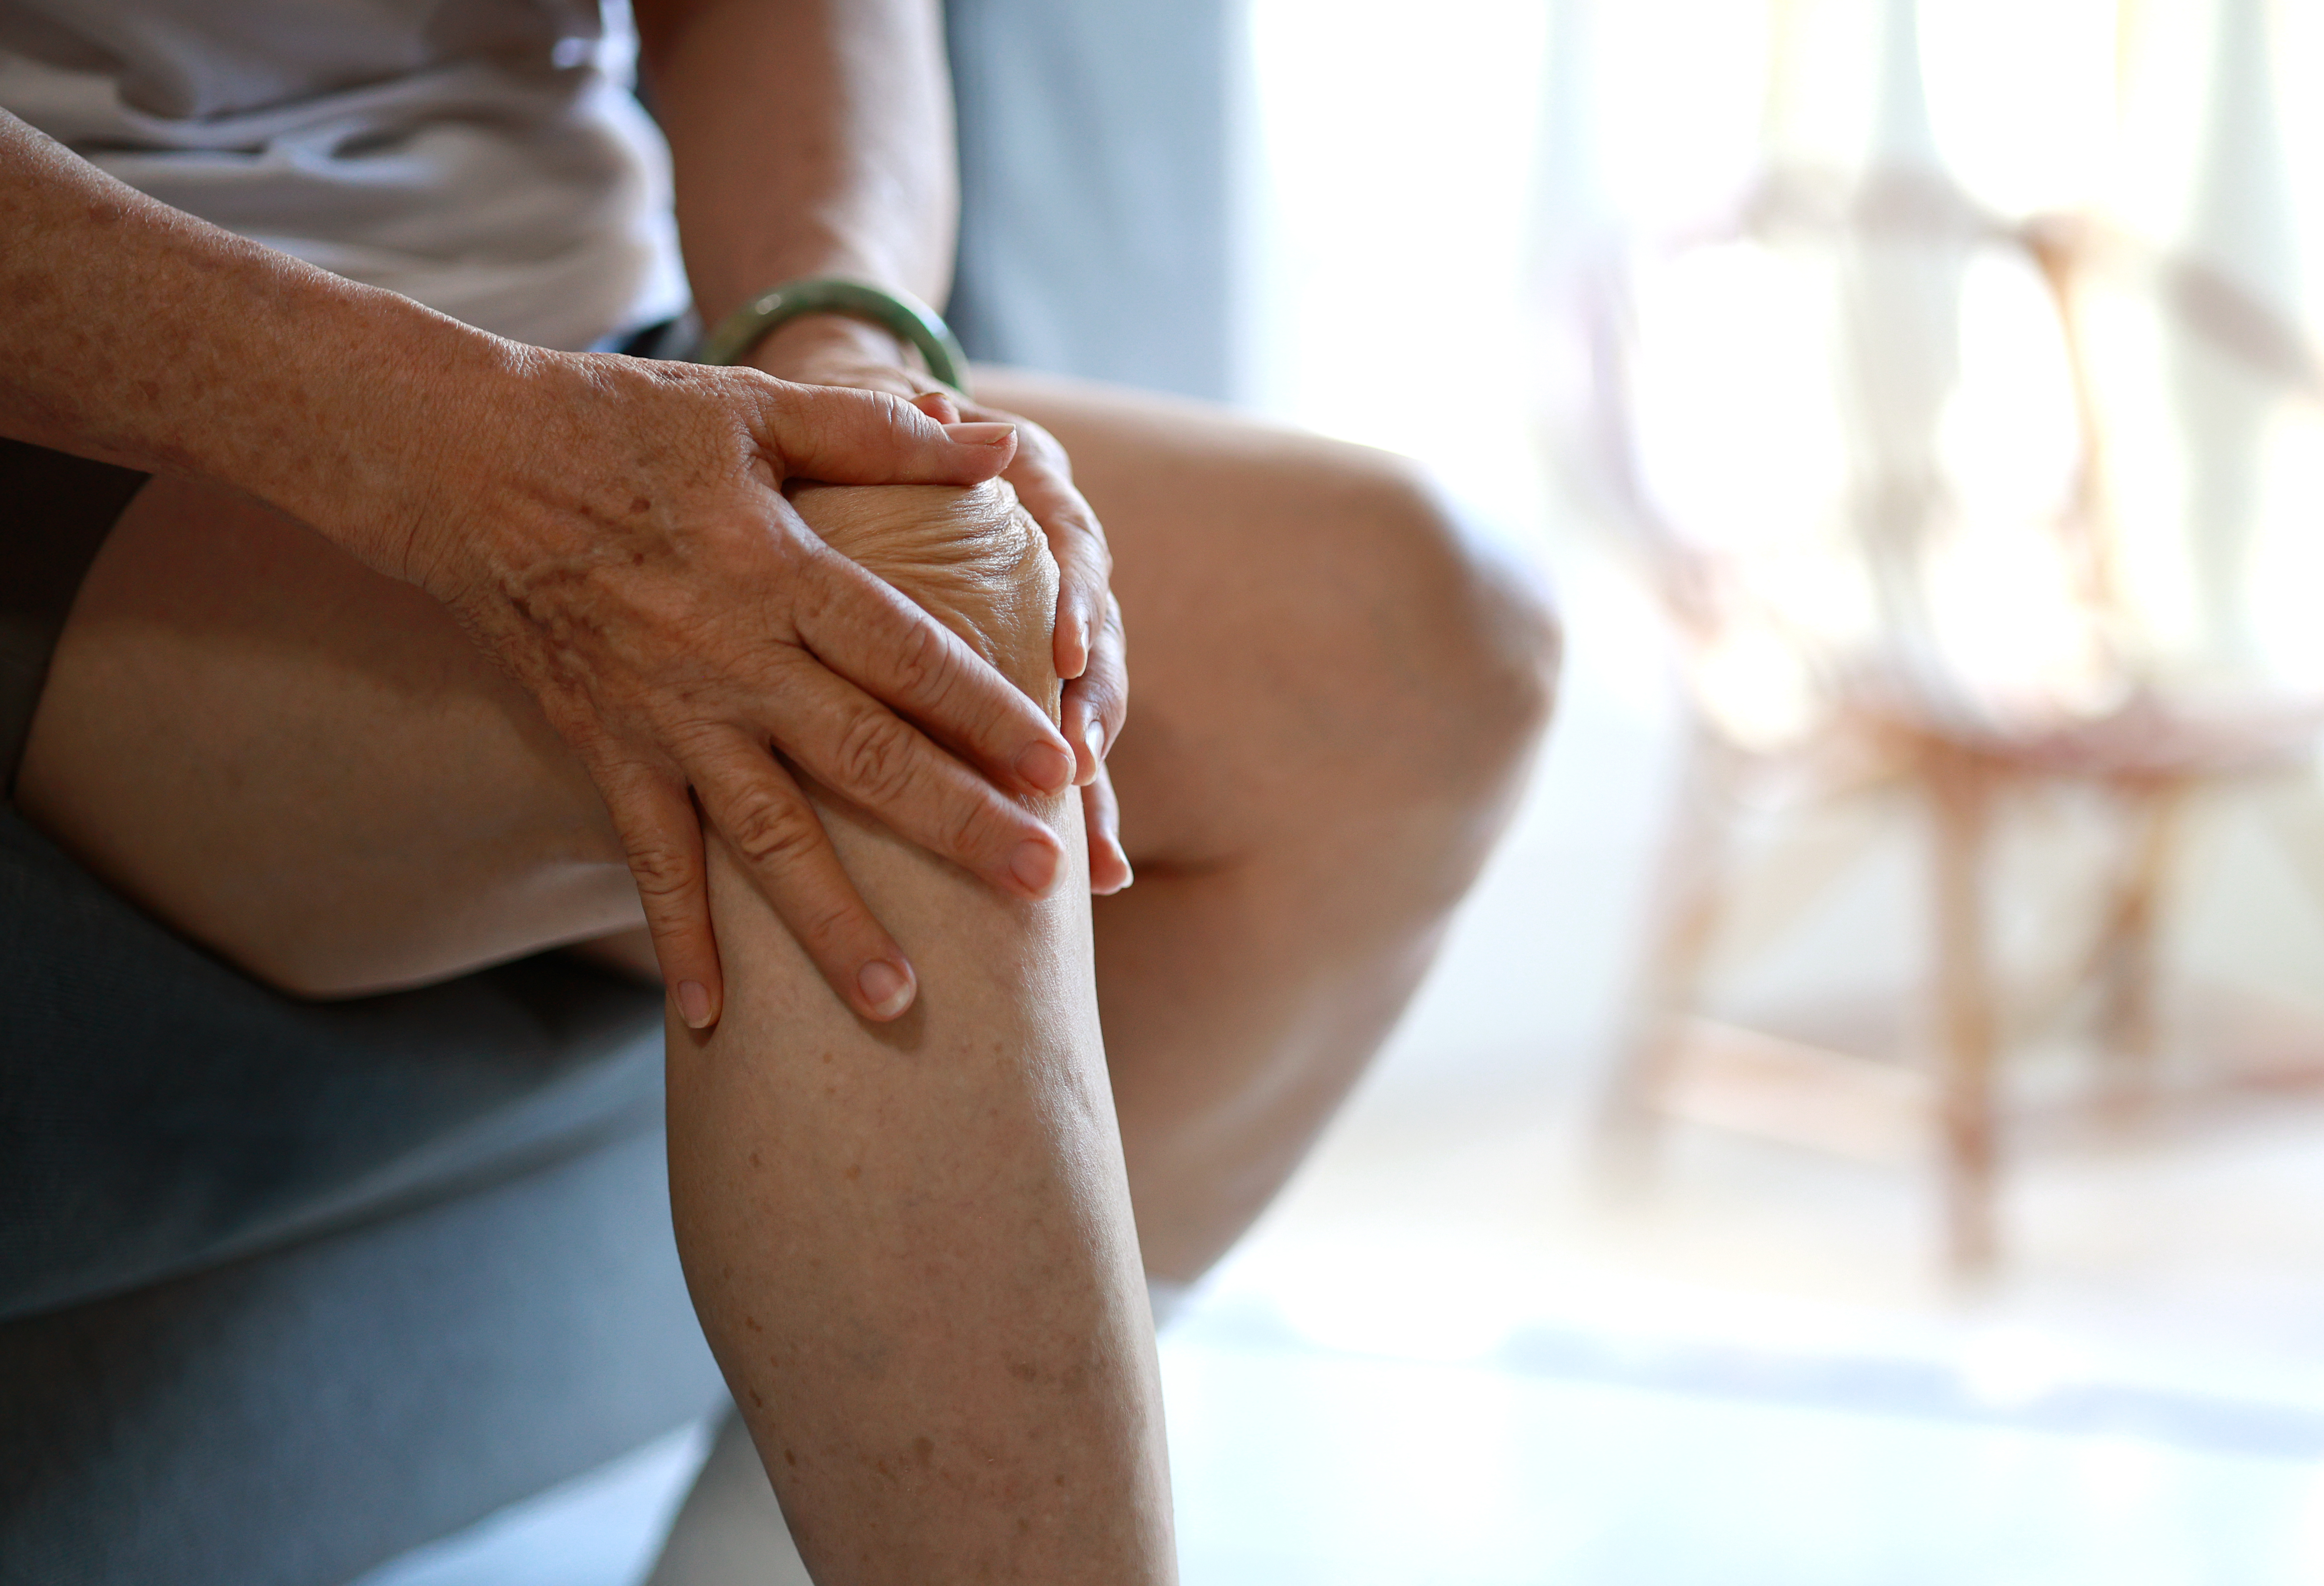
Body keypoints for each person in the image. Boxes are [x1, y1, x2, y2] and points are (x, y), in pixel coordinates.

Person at [0, 0, 1559, 1578]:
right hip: (125, 429)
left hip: (617, 365)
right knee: (893, 685)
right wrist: (478, 455)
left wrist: (836, 372)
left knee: (1427, 636)